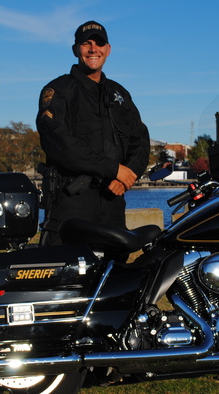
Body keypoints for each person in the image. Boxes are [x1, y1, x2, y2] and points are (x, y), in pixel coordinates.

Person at [36, 20, 150, 246]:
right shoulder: (59, 90)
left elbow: (140, 139)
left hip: (113, 198)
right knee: (62, 264)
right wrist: (114, 169)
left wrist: (128, 175)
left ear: (108, 49)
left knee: (115, 264)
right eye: (86, 44)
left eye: (99, 44)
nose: (93, 49)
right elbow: (59, 142)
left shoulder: (119, 94)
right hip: (71, 199)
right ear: (75, 49)